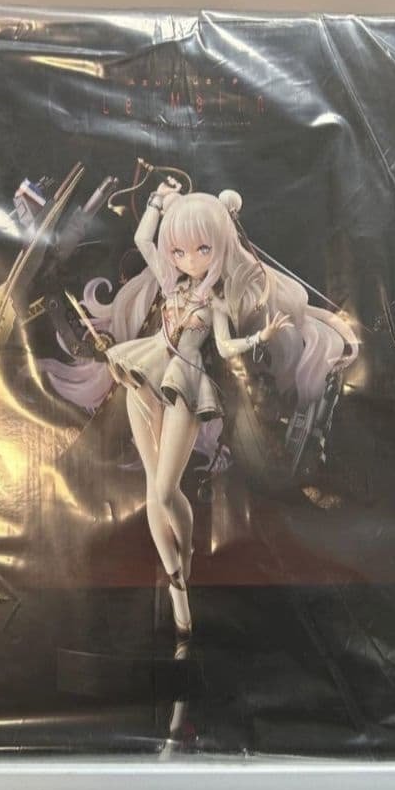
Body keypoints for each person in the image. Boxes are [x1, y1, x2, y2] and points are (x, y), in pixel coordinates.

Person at [43, 177, 359, 637]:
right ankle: (178, 591)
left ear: (221, 246)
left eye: (202, 249)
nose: (189, 259)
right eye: (179, 251)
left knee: (166, 490)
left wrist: (262, 336)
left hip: (185, 384)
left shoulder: (216, 302)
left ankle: (186, 557)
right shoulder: (168, 282)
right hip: (144, 375)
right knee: (153, 488)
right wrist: (157, 200)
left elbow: (227, 348)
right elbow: (142, 239)